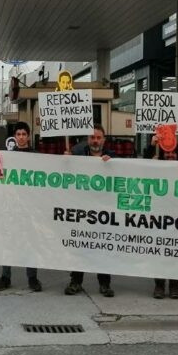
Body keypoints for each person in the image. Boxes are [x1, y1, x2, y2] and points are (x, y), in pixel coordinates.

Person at [65, 125, 116, 298]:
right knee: (80, 247)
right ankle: (76, 281)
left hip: (103, 212)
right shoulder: (78, 155)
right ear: (88, 139)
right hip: (82, 210)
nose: (95, 141)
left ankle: (104, 284)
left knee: (103, 247)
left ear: (104, 139)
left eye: (98, 138)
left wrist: (113, 165)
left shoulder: (113, 158)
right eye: (92, 137)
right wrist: (66, 161)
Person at [0, 121, 41, 292]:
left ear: (28, 136)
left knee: (30, 241)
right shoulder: (7, 156)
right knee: (9, 241)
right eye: (18, 134)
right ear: (14, 137)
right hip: (11, 207)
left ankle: (32, 278)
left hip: (30, 207)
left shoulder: (37, 156)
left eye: (24, 134)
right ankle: (5, 276)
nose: (21, 137)